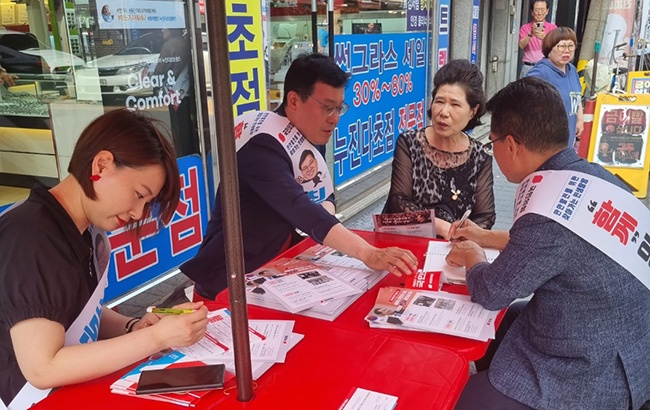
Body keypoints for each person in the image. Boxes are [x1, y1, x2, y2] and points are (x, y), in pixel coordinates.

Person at [447, 77, 650, 409]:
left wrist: (474, 256)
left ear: (511, 144)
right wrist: (484, 236)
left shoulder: (550, 208)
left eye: (492, 141)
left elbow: (491, 291)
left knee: (462, 399)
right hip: (629, 341)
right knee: (512, 318)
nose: (493, 150)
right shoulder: (592, 176)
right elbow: (555, 248)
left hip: (592, 370)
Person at [0, 109, 209, 407]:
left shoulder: (83, 229)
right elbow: (43, 368)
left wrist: (134, 327)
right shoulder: (32, 239)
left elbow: (77, 311)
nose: (138, 213)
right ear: (101, 165)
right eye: (139, 194)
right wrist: (157, 339)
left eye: (148, 203)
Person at [181, 53, 418, 301]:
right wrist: (368, 253)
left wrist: (324, 219)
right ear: (293, 100)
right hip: (229, 281)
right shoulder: (262, 145)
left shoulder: (309, 132)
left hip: (278, 267)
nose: (335, 118)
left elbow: (322, 191)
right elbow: (299, 206)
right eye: (327, 107)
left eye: (339, 108)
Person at [383, 59, 495, 237]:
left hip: (453, 250)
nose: (443, 112)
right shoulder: (410, 143)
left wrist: (465, 236)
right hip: (407, 244)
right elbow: (398, 201)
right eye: (440, 101)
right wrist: (443, 228)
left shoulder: (480, 157)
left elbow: (485, 216)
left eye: (455, 104)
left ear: (473, 111)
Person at [527, 27, 583, 148]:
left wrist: (579, 119)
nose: (566, 51)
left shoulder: (572, 69)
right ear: (549, 48)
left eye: (570, 46)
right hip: (546, 144)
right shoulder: (540, 72)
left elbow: (576, 97)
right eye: (561, 46)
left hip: (567, 141)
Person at [154, 28, 199, 157]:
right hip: (186, 90)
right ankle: (191, 151)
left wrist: (153, 77)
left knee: (178, 126)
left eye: (165, 27)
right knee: (188, 126)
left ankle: (182, 155)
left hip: (174, 90)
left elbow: (160, 69)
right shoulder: (186, 43)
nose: (162, 30)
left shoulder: (170, 45)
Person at [518, 0, 557, 77]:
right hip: (529, 67)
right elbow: (521, 45)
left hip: (547, 67)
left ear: (547, 11)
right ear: (532, 12)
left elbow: (557, 47)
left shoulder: (553, 28)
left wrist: (545, 38)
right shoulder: (525, 28)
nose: (539, 13)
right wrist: (530, 34)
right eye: (537, 10)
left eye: (542, 10)